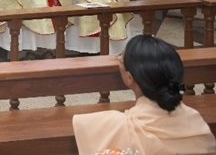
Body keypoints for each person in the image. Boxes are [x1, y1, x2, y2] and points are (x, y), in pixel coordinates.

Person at [73, 35, 216, 155]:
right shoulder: (196, 122)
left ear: (130, 78)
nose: (118, 58)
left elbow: (83, 128)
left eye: (120, 57)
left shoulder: (118, 126)